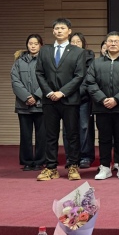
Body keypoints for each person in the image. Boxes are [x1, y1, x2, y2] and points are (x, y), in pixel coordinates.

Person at [35, 18, 87, 181]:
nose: (59, 31)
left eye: (62, 28)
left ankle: (73, 166)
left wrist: (62, 92)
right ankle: (51, 167)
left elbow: (79, 75)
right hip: (49, 100)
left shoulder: (78, 52)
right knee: (50, 135)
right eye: (56, 28)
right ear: (53, 31)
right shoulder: (45, 51)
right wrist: (49, 92)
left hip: (69, 100)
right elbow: (39, 73)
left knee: (72, 134)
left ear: (69, 31)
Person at [85, 31, 119, 180]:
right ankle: (105, 167)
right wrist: (102, 99)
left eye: (116, 41)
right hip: (102, 107)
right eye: (110, 41)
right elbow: (90, 83)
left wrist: (116, 99)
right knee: (104, 138)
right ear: (106, 44)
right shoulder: (96, 63)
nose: (113, 43)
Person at [11, 34, 45, 171]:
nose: (33, 46)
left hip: (41, 104)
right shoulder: (19, 62)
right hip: (23, 105)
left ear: (41, 45)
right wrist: (26, 97)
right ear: (27, 45)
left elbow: (48, 80)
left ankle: (40, 161)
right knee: (25, 135)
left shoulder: (45, 61)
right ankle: (27, 161)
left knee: (42, 135)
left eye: (36, 43)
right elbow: (15, 81)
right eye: (30, 43)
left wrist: (36, 96)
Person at [69, 32, 96, 169]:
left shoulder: (89, 58)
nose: (75, 44)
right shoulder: (64, 58)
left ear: (83, 44)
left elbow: (89, 79)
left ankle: (86, 156)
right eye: (73, 42)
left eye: (78, 42)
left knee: (85, 127)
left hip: (83, 98)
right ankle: (71, 156)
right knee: (69, 128)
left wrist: (78, 93)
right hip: (68, 99)